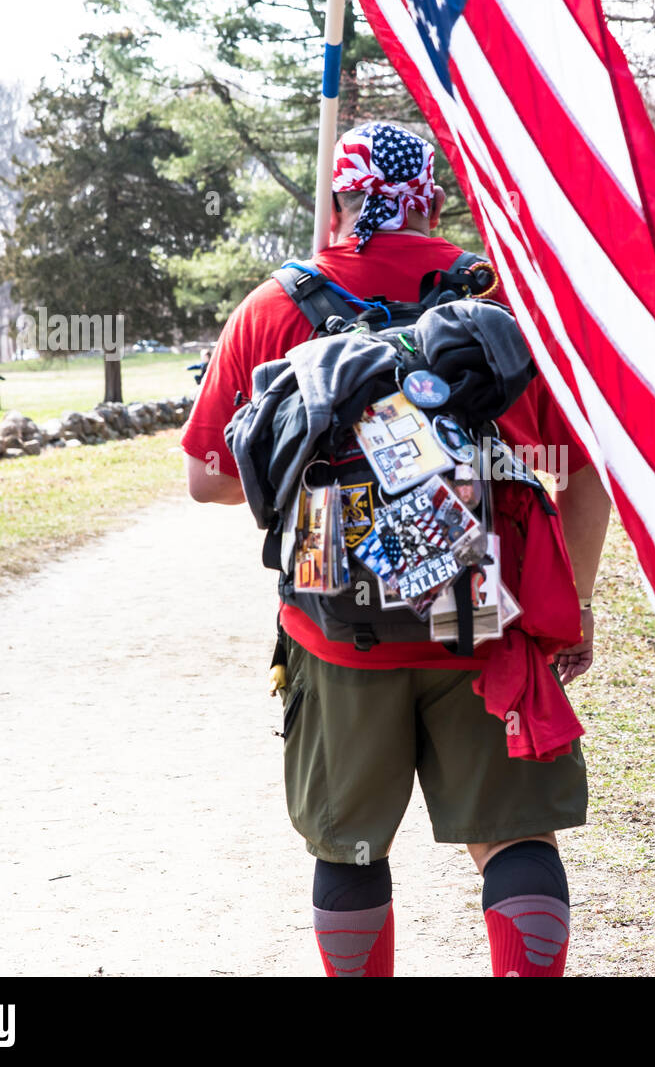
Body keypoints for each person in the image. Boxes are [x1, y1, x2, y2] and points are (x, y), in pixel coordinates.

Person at [182, 122, 612, 978]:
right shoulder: (505, 306)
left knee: (349, 849)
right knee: (516, 836)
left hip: (336, 628)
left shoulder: (274, 308)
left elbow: (209, 478)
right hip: (487, 619)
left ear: (337, 203)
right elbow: (586, 472)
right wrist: (578, 603)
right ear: (435, 203)